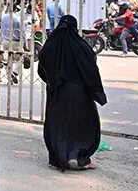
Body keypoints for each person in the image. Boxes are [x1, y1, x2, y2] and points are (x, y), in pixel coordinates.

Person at [38, 15, 107, 171]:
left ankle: (57, 159)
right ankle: (80, 158)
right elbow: (90, 70)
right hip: (79, 93)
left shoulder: (50, 46)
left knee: (58, 125)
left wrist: (52, 82)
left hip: (57, 93)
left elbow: (42, 67)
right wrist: (95, 91)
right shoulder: (81, 47)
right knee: (81, 125)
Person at [0, 0, 26, 85]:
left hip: (5, 42)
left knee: (8, 61)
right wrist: (24, 44)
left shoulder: (3, 18)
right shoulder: (17, 19)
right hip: (16, 42)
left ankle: (9, 79)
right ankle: (15, 72)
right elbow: (23, 32)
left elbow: (0, 29)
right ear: (15, 9)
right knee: (20, 58)